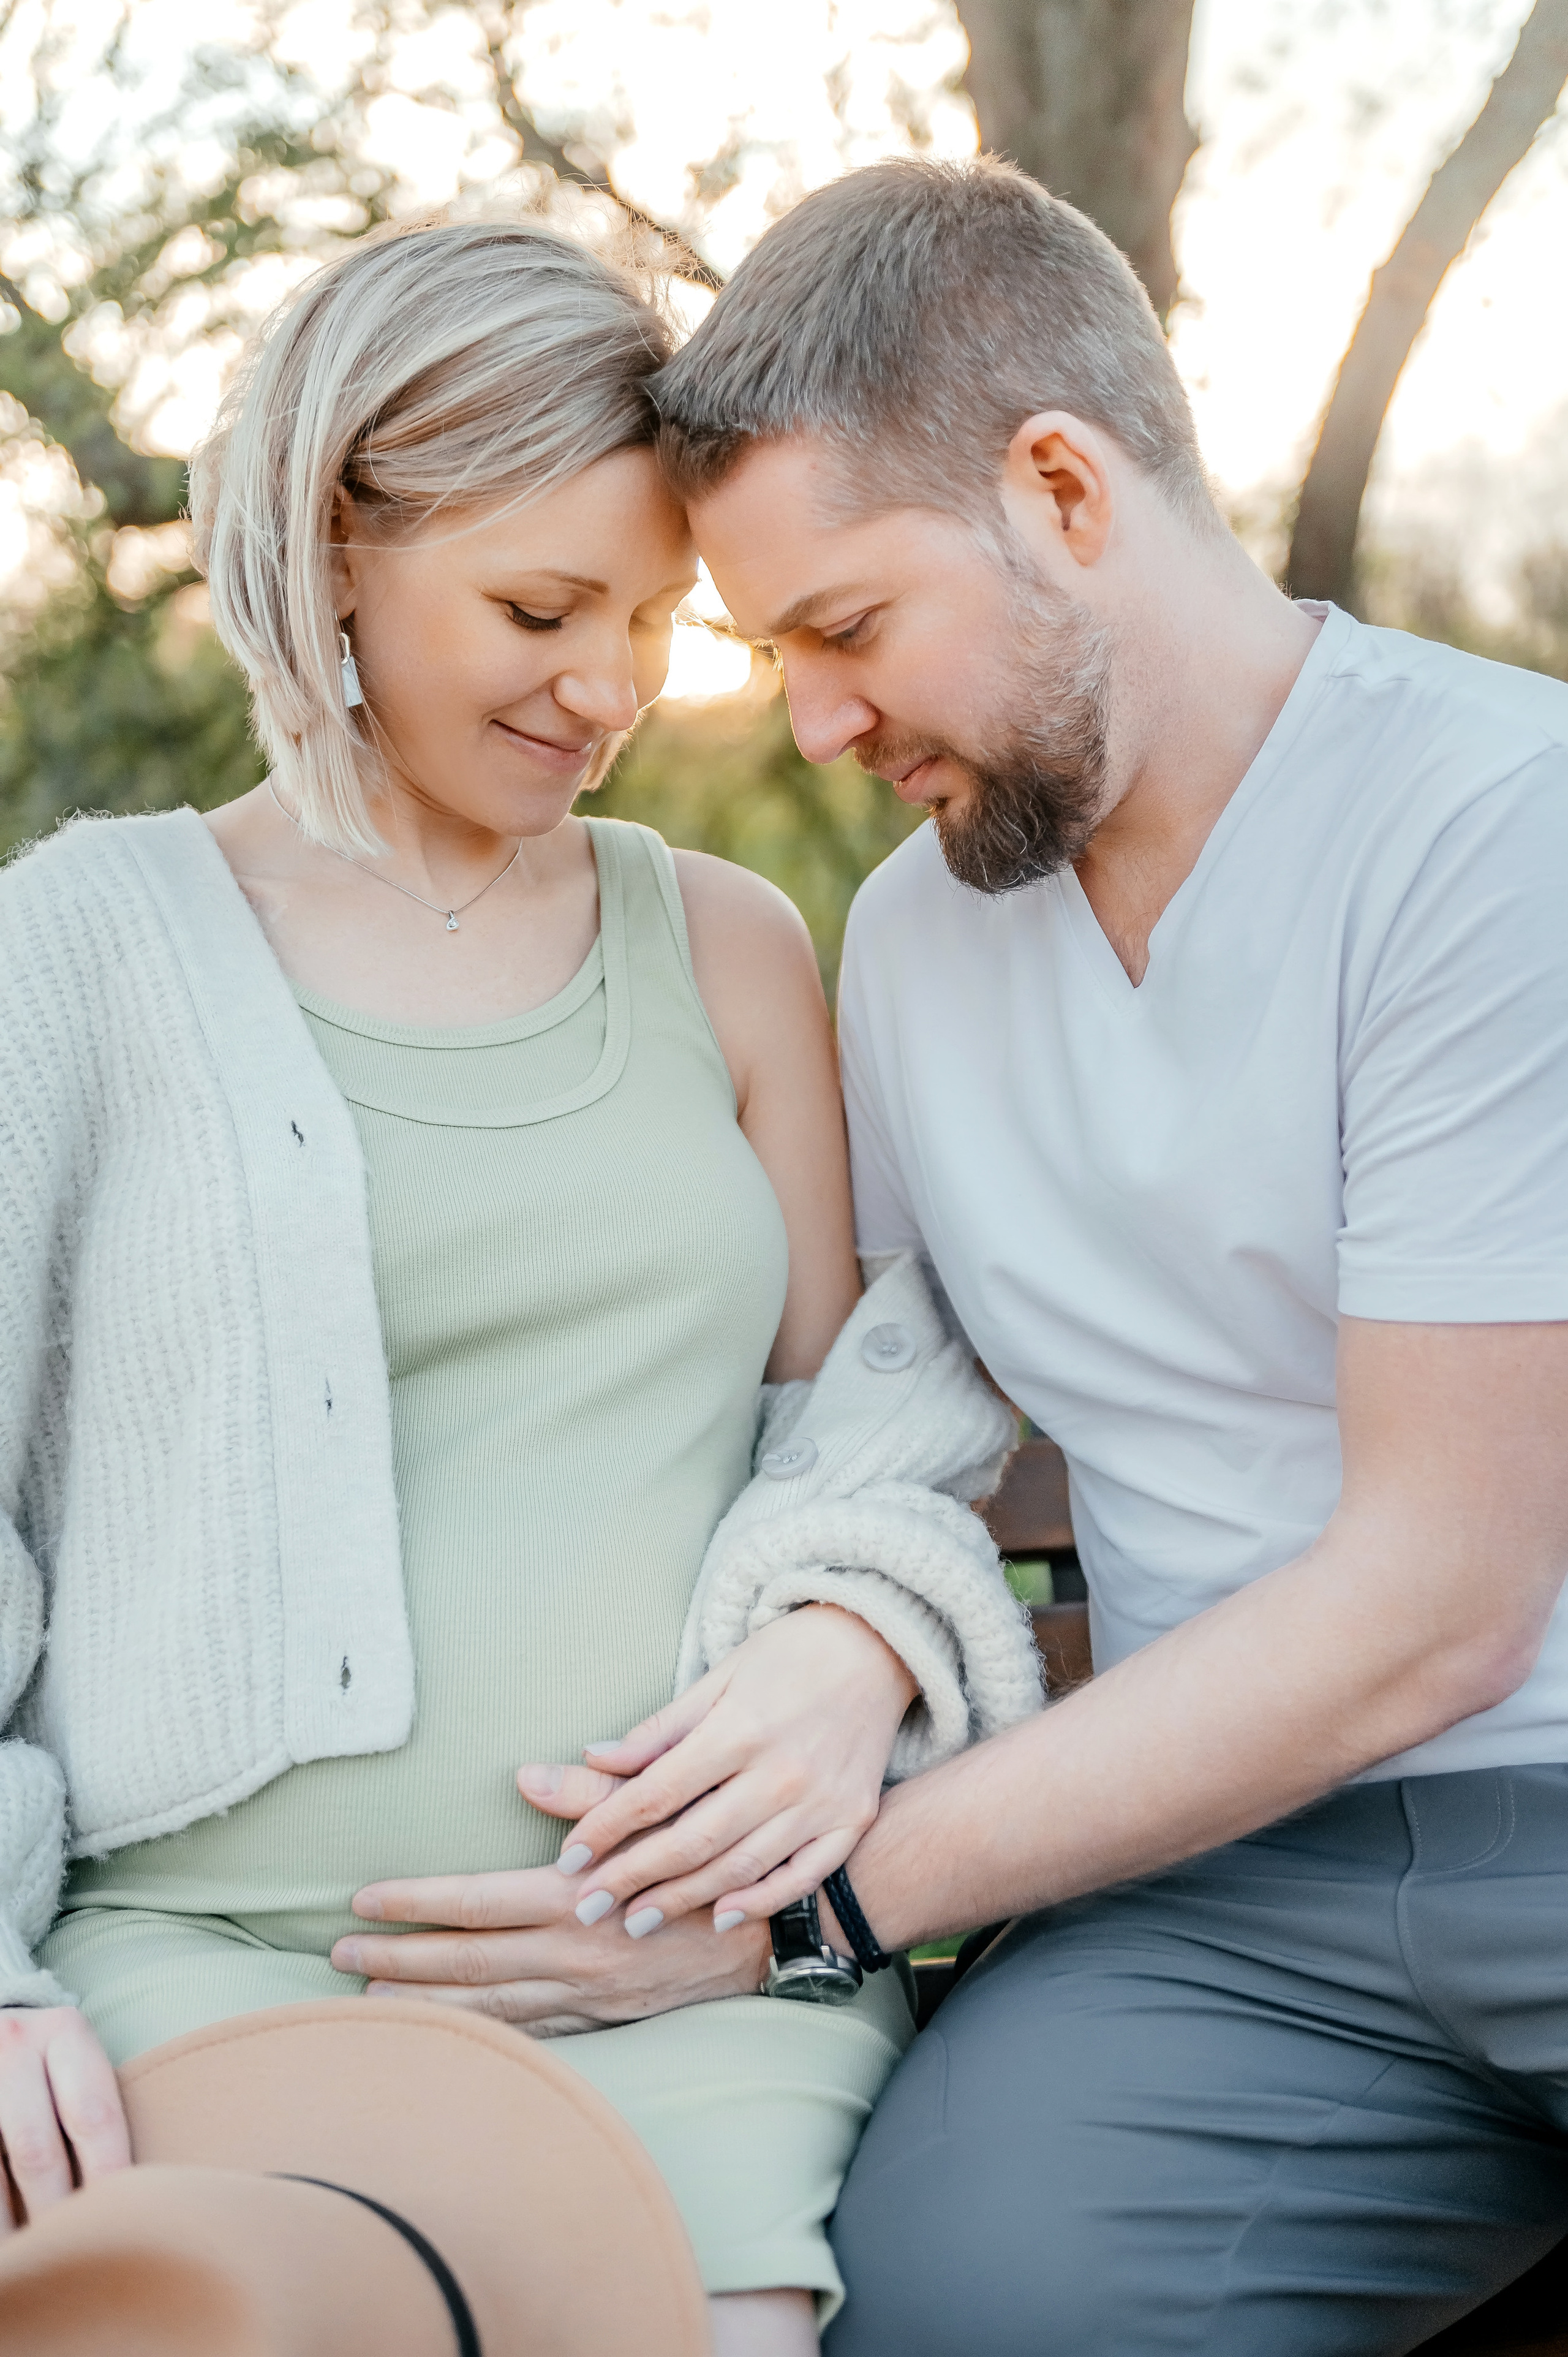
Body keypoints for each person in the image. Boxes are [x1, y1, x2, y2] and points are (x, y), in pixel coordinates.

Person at [0, 211, 1039, 2356]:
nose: (610, 691)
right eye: (541, 609)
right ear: (331, 548)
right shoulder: (80, 949)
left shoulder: (731, 939)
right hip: (200, 1956)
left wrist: (852, 1632)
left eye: (656, 621)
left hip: (692, 1963)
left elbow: (847, 1426)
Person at [648, 156, 1568, 2353]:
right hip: (1219, 1903)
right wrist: (847, 1638)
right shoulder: (904, 947)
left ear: (1062, 487)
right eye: (772, 659)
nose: (817, 728)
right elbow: (911, 1383)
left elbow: (1437, 1606)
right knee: (955, 2314)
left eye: (846, 629)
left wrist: (826, 1904)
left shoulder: (1489, 823)